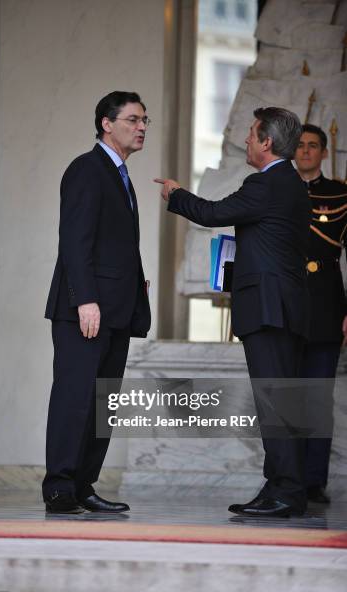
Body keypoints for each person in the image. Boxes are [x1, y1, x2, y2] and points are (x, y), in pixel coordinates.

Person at [156, 107, 311, 517]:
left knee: (276, 404)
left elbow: (211, 213)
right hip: (283, 308)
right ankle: (279, 486)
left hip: (268, 309)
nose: (246, 140)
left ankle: (286, 492)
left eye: (251, 134)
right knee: (281, 402)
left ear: (267, 142)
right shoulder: (291, 184)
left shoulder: (266, 185)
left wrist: (175, 194)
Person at [43, 91, 151, 514]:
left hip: (117, 313)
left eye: (145, 120)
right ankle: (60, 486)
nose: (142, 127)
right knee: (75, 397)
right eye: (133, 119)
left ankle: (84, 484)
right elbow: (74, 240)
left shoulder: (121, 176)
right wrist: (85, 299)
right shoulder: (87, 169)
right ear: (107, 123)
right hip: (85, 311)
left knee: (103, 402)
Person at [294, 124, 347, 504]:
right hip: (285, 304)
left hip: (327, 306)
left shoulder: (341, 193)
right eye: (300, 145)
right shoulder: (278, 189)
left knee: (318, 399)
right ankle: (285, 478)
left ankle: (313, 480)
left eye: (313, 146)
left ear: (324, 153)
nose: (306, 151)